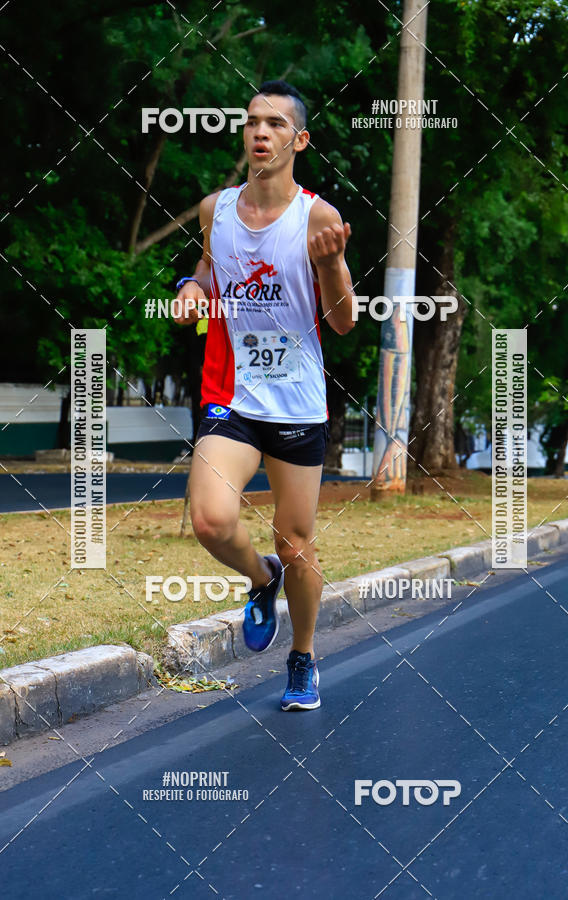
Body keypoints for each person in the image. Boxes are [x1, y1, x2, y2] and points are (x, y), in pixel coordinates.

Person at [174, 80, 355, 710]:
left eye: (276, 124)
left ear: (298, 140)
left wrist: (331, 265)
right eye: (253, 122)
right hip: (233, 393)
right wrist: (193, 287)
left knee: (297, 542)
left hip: (299, 403)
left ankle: (302, 657)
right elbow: (206, 264)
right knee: (210, 520)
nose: (260, 132)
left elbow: (342, 322)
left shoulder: (320, 218)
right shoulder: (214, 209)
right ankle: (259, 581)